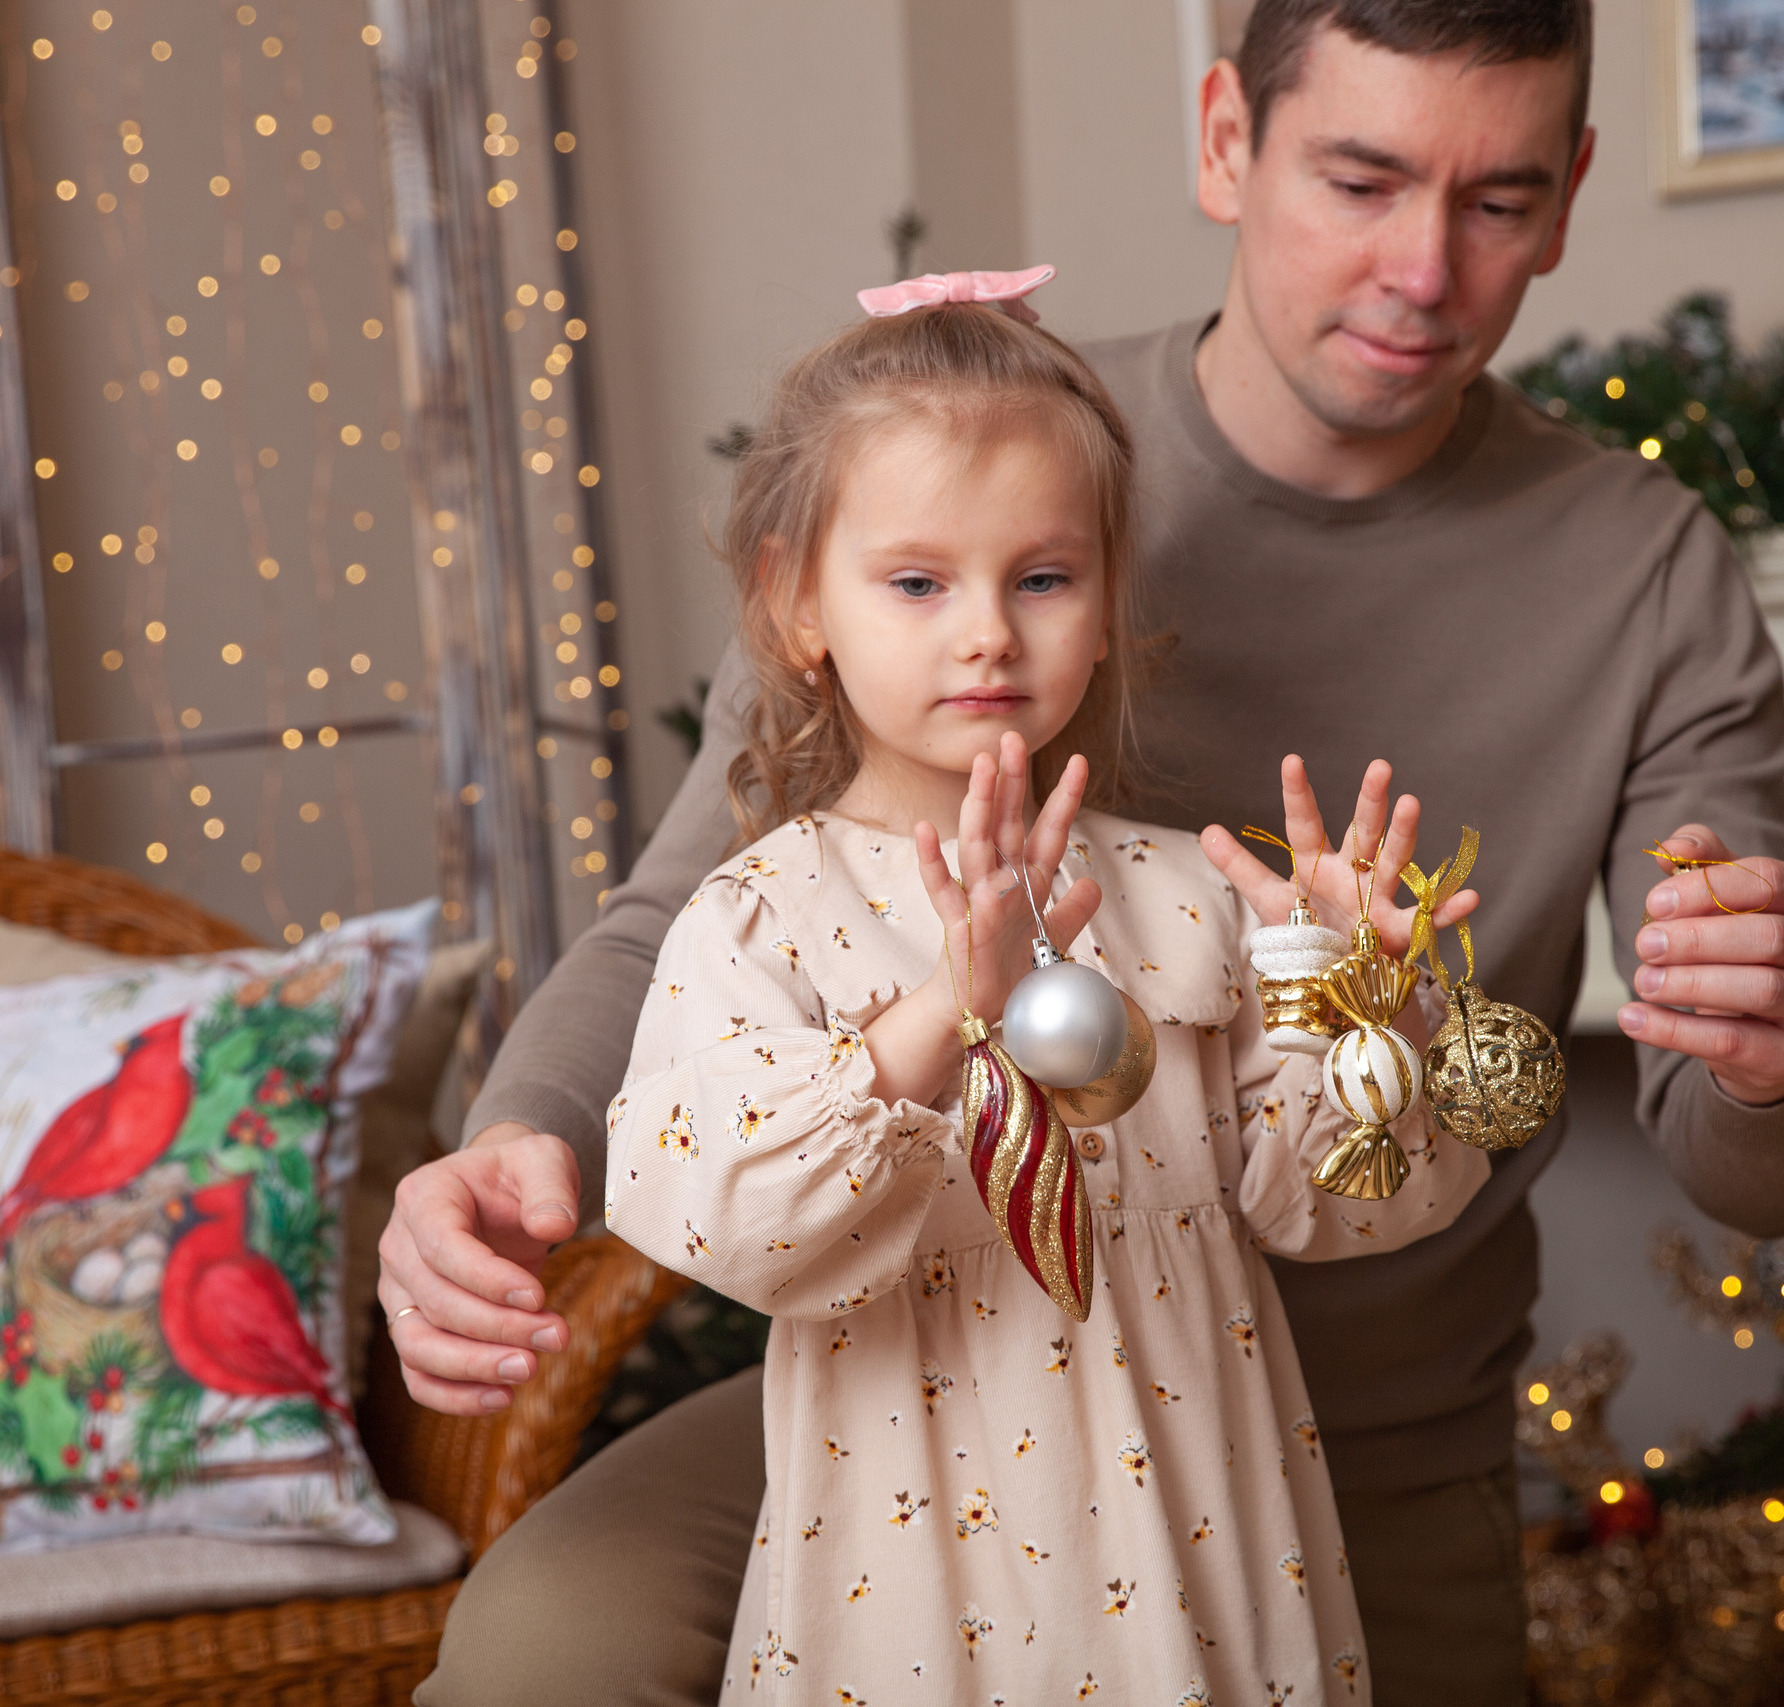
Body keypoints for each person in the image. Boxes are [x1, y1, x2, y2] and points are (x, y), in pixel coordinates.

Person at [398, 1, 1784, 1700]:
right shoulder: (967, 456)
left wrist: (1777, 1062)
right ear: (1225, 145)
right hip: (911, 1402)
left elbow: (1737, 1156)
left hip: (1350, 1436)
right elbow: (681, 921)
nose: (1420, 268)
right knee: (534, 1655)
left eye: (1495, 200)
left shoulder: (1647, 572)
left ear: (1566, 201)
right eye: (1360, 177)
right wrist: (514, 1139)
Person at [597, 289, 1491, 1697]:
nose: (987, 637)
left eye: (1041, 578)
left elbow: (1342, 1203)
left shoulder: (1190, 897)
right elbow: (716, 1214)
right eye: (917, 583)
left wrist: (1361, 1004)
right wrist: (953, 1005)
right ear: (793, 604)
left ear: (1108, 598)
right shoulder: (761, 915)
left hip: (1195, 1531)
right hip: (913, 1569)